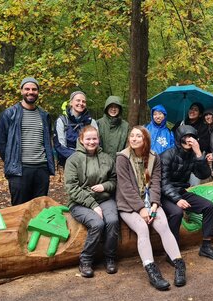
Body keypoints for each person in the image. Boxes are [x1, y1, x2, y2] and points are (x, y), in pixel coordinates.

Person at [116, 126, 186, 290]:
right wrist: (141, 209)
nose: (134, 139)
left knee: (163, 225)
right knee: (142, 228)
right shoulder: (123, 157)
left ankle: (179, 264)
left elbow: (154, 183)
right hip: (129, 204)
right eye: (132, 135)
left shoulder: (153, 157)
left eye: (138, 136)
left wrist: (154, 204)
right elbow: (126, 188)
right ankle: (152, 270)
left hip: (149, 200)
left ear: (145, 139)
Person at [160, 125, 213, 261]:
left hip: (181, 192)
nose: (190, 140)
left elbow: (204, 174)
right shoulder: (167, 155)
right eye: (186, 137)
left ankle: (206, 246)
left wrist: (199, 154)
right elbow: (162, 183)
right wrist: (177, 199)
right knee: (176, 213)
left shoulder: (192, 155)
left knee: (209, 207)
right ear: (179, 138)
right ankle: (172, 253)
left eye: (192, 137)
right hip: (165, 194)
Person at [64, 125, 119, 278]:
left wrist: (104, 186)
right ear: (81, 140)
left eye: (94, 138)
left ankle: (110, 258)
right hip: (80, 203)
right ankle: (86, 260)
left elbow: (114, 180)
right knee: (97, 223)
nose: (91, 142)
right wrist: (93, 205)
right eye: (88, 139)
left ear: (98, 139)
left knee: (113, 220)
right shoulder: (73, 160)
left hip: (104, 198)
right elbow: (72, 188)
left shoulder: (107, 158)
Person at [0, 77, 56, 205]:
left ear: (38, 92)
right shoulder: (10, 114)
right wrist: (11, 159)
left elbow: (47, 139)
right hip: (19, 170)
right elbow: (0, 141)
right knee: (20, 209)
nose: (30, 92)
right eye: (27, 89)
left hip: (41, 169)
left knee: (39, 210)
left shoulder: (44, 115)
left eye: (34, 89)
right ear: (21, 91)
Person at [54, 91, 98, 166]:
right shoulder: (62, 121)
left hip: (89, 163)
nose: (81, 103)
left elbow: (97, 143)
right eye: (78, 100)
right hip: (68, 163)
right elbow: (60, 146)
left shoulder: (91, 122)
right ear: (71, 103)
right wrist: (79, 157)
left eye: (83, 101)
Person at [173, 102, 210, 185]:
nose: (192, 111)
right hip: (180, 160)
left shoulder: (203, 127)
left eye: (196, 110)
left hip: (194, 162)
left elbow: (205, 145)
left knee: (194, 186)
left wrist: (193, 140)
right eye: (191, 109)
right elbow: (172, 137)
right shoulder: (181, 123)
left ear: (200, 114)